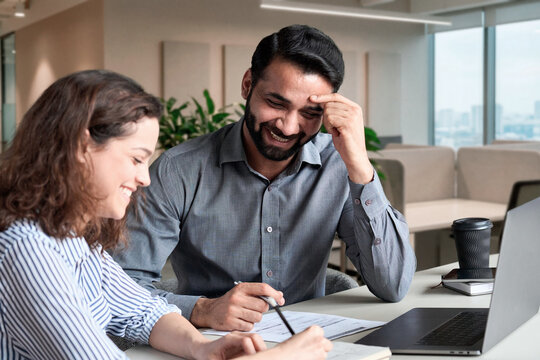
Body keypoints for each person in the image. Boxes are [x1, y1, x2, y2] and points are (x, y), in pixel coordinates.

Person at [0, 70, 332, 360]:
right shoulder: (28, 250)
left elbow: (142, 311)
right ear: (82, 148)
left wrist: (201, 348)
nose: (145, 178)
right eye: (136, 159)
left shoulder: (72, 237)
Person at [114, 24, 416, 332]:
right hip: (209, 344)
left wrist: (361, 166)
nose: (288, 126)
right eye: (276, 103)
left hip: (313, 345)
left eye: (309, 114)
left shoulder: (338, 164)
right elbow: (118, 291)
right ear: (247, 85)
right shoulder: (178, 171)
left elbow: (392, 285)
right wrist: (203, 309)